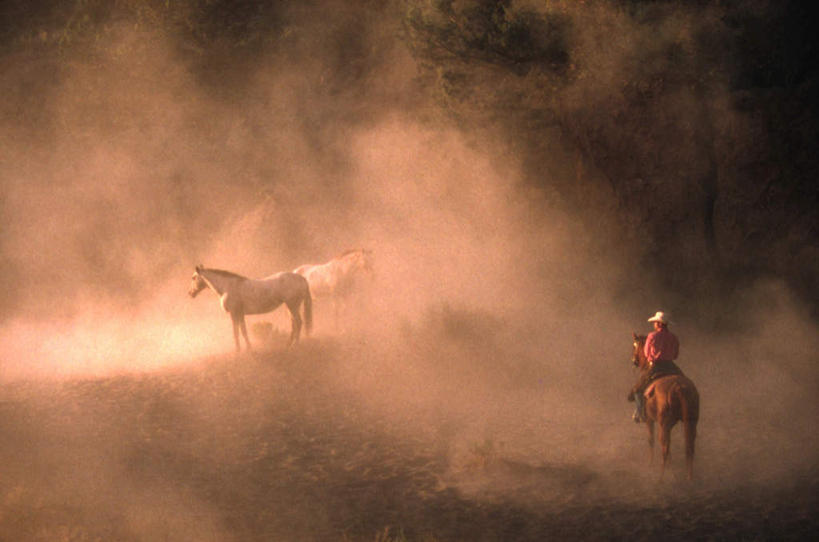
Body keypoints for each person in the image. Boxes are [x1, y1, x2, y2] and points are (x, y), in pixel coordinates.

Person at [628, 311, 683, 422]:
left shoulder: (652, 336)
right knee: (683, 381)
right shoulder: (674, 337)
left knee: (638, 389)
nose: (654, 324)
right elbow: (676, 355)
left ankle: (640, 412)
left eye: (655, 322)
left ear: (658, 324)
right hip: (671, 365)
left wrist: (653, 358)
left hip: (656, 366)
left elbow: (647, 354)